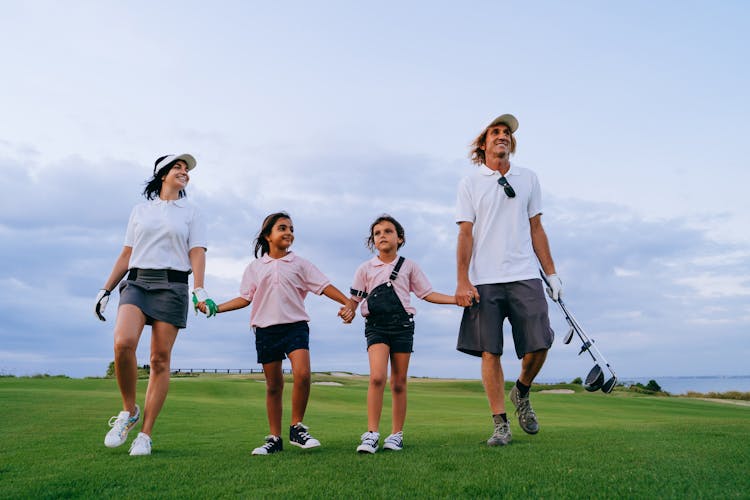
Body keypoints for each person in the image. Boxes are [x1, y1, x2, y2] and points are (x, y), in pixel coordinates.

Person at [200, 212, 355, 455]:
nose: (289, 233)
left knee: (303, 374)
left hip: (295, 326)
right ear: (267, 235)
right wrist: (216, 308)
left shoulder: (301, 264)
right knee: (274, 386)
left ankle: (296, 427)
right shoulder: (254, 267)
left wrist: (348, 303)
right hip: (264, 330)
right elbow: (245, 297)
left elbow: (324, 287)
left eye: (291, 229)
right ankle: (275, 439)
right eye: (282, 228)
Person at [454, 114, 563, 446]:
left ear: (511, 144)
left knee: (541, 342)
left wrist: (553, 274)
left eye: (507, 133)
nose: (502, 136)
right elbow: (465, 233)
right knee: (491, 352)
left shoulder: (528, 177)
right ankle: (500, 424)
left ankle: (522, 391)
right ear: (484, 143)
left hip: (525, 274)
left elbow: (537, 228)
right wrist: (462, 280)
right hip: (485, 279)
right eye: (495, 132)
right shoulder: (469, 183)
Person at [95, 153, 213, 456]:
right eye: (178, 167)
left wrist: (199, 289)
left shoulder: (192, 212)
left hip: (173, 286)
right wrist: (106, 289)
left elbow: (197, 252)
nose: (184, 172)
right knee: (123, 343)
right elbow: (126, 253)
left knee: (160, 360)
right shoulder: (140, 210)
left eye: (186, 170)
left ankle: (145, 435)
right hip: (137, 282)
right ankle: (128, 411)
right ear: (162, 174)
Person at [349, 215, 456, 454]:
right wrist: (347, 310)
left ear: (400, 238)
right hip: (376, 325)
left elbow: (427, 293)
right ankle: (371, 434)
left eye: (388, 231)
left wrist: (455, 300)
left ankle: (396, 435)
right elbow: (354, 300)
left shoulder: (409, 266)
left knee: (398, 382)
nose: (382, 236)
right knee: (377, 377)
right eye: (377, 233)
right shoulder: (365, 268)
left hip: (403, 326)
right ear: (373, 241)